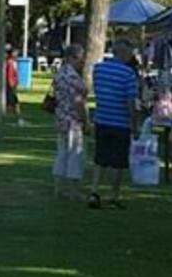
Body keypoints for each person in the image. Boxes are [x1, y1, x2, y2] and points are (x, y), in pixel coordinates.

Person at [88, 40, 140, 210]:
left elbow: (98, 90)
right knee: (117, 162)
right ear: (125, 53)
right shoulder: (128, 74)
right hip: (120, 122)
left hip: (102, 118)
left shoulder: (99, 69)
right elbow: (130, 102)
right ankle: (114, 195)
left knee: (100, 158)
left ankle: (94, 191)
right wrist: (134, 124)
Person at [52, 44, 88, 199]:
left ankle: (58, 188)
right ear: (72, 58)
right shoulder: (73, 77)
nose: (82, 62)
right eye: (80, 58)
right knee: (75, 154)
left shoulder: (60, 74)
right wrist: (86, 121)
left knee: (61, 153)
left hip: (60, 117)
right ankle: (74, 190)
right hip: (73, 119)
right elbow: (78, 102)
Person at [4, 48, 22, 122]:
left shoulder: (14, 62)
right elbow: (9, 75)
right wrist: (11, 84)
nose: (17, 55)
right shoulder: (10, 63)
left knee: (14, 102)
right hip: (10, 86)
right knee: (13, 102)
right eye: (15, 53)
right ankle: (18, 118)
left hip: (13, 85)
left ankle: (18, 118)